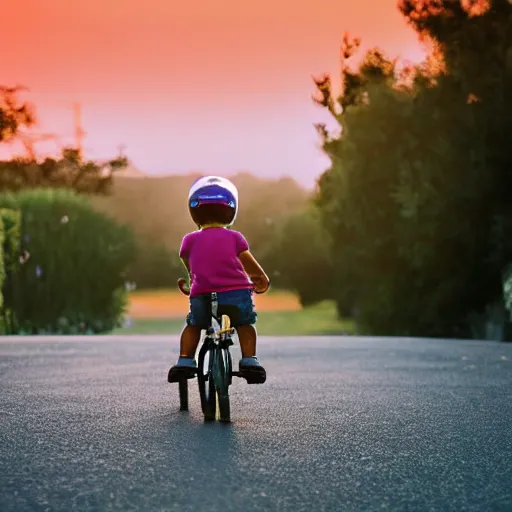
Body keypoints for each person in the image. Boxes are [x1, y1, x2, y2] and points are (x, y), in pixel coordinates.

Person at [167, 175, 270, 383]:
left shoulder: (189, 240)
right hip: (236, 295)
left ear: (194, 212)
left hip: (202, 296)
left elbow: (192, 268)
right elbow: (250, 265)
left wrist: (192, 283)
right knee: (245, 323)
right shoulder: (235, 238)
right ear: (231, 210)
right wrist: (261, 279)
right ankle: (250, 361)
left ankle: (185, 362)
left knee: (194, 324)